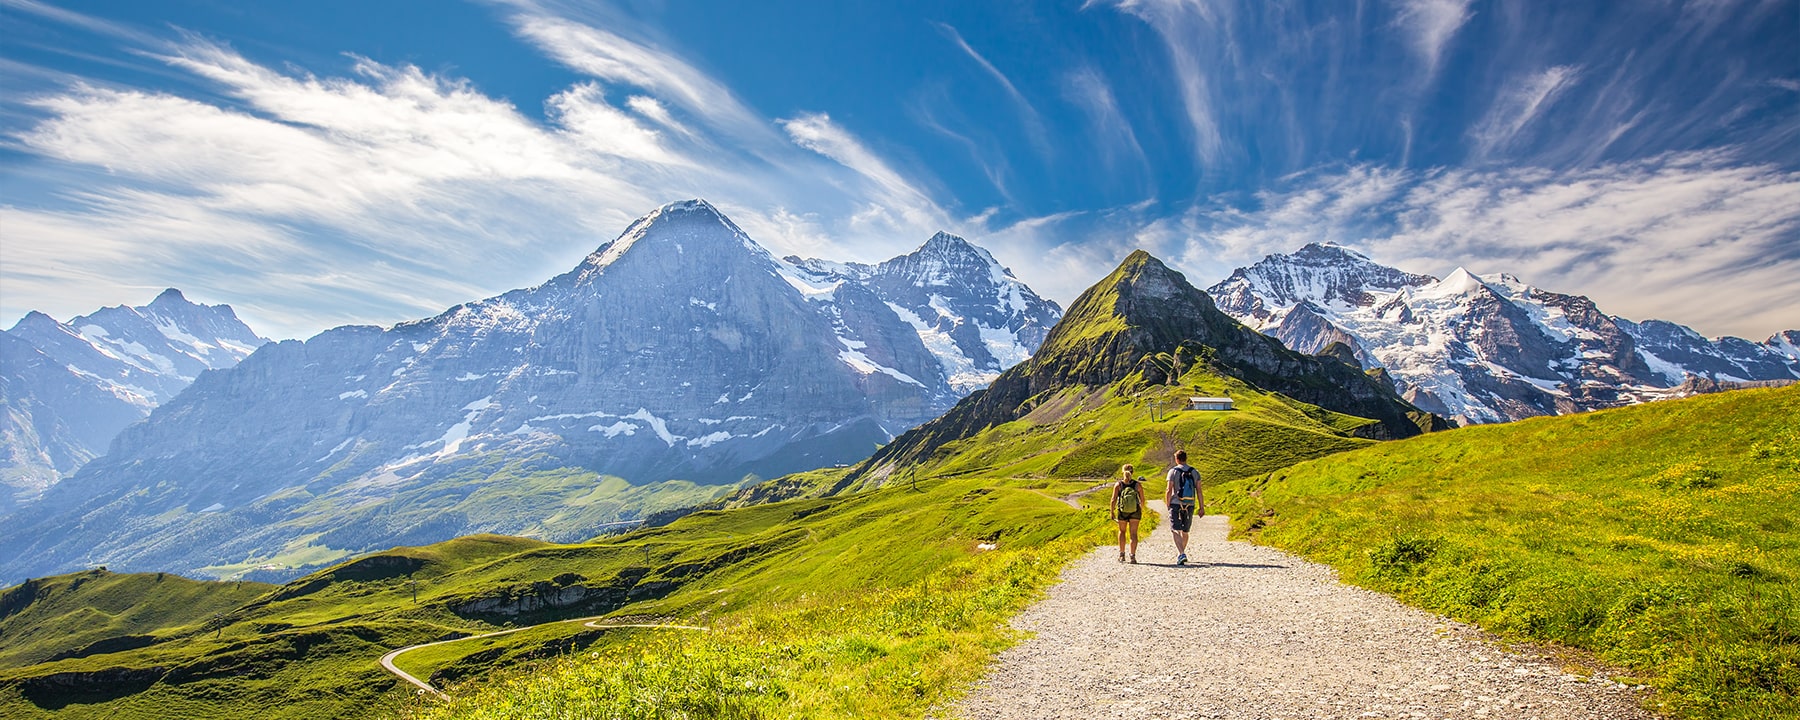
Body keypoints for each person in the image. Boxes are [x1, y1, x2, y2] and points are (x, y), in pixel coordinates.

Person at [1164, 450, 1204, 566]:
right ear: (1186, 458)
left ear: (1177, 459)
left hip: (1176, 503)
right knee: (1185, 530)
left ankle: (1181, 553)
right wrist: (1201, 507)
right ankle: (1181, 553)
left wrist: (1168, 503)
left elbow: (1168, 489)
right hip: (1190, 503)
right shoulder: (1195, 472)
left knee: (1175, 529)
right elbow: (1199, 491)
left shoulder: (1173, 471)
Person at [1110, 464, 1144, 564]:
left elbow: (1113, 499)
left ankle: (1122, 555)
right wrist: (1140, 509)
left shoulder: (1118, 485)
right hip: (1135, 511)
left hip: (1122, 511)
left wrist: (1112, 511)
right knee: (1133, 533)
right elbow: (1142, 499)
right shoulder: (1137, 485)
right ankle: (1132, 556)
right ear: (1132, 472)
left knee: (1122, 531)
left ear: (1122, 472)